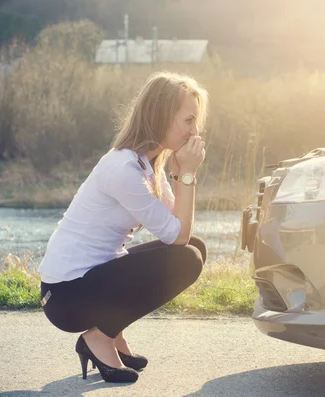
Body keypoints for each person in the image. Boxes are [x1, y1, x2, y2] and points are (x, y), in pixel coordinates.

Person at [37, 71, 209, 383]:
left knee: (195, 247)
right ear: (161, 116)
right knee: (188, 258)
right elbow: (176, 234)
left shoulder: (147, 164)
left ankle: (111, 334)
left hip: (90, 282)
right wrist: (188, 175)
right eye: (188, 120)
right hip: (65, 296)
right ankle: (98, 337)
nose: (194, 131)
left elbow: (179, 229)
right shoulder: (124, 168)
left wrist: (181, 171)